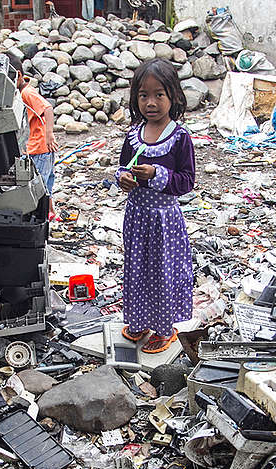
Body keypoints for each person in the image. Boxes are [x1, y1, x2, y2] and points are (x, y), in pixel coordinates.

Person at [114, 59, 196, 354]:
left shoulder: (179, 137)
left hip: (164, 220)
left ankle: (164, 329)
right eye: (143, 95)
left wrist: (157, 175)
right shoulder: (133, 136)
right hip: (136, 216)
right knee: (136, 269)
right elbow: (123, 167)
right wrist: (123, 178)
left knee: (162, 272)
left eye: (159, 95)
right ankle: (138, 322)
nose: (151, 102)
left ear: (173, 96)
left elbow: (187, 181)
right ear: (136, 98)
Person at [11, 55, 60, 221]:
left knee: (39, 187)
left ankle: (41, 217)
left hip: (39, 148)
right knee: (46, 185)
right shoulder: (23, 92)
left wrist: (49, 135)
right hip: (41, 148)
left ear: (18, 75)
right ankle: (50, 213)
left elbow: (47, 108)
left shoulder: (27, 93)